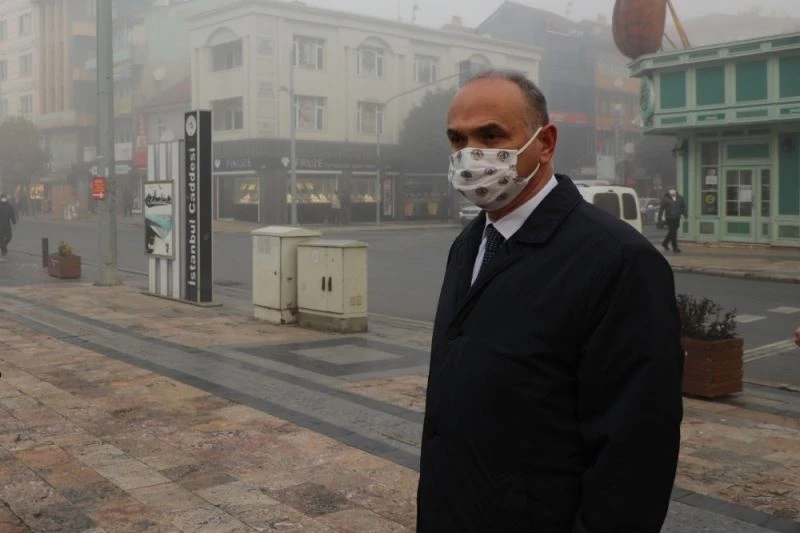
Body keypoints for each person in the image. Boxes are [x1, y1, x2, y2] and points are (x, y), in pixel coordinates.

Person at [417, 70, 684, 533]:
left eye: (491, 135)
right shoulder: (470, 243)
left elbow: (635, 456)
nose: (469, 155)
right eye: (457, 139)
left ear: (545, 142)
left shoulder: (618, 261)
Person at [659, 187, 688, 253]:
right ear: (669, 191)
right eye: (671, 190)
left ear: (676, 191)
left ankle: (665, 243)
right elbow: (661, 209)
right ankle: (675, 247)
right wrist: (659, 217)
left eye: (673, 190)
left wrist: (685, 214)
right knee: (674, 232)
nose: (672, 191)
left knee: (672, 231)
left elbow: (683, 206)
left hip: (677, 217)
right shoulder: (665, 198)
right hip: (669, 217)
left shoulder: (680, 198)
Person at [0, 193, 17, 257]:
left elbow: (12, 214)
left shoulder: (9, 206)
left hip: (7, 225)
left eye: (4, 197)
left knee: (9, 237)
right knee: (1, 238)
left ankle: (2, 246)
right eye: (2, 198)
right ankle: (4, 250)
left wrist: (14, 222)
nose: (3, 199)